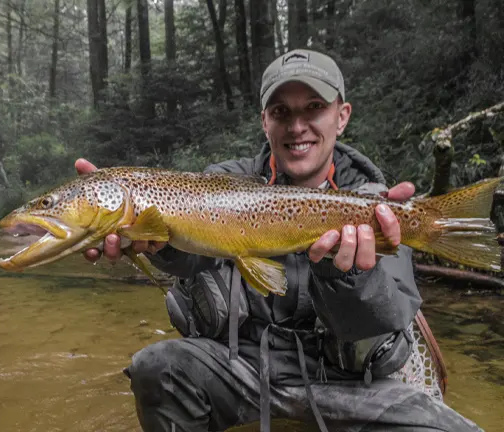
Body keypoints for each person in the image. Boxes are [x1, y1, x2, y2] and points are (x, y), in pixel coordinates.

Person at [76, 49, 483, 431]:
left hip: (348, 386)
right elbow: (190, 256)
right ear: (264, 121)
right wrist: (153, 242)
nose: (296, 125)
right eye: (281, 111)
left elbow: (385, 320)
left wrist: (348, 273)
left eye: (314, 108)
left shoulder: (375, 205)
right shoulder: (220, 186)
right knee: (157, 366)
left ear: (341, 116)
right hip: (243, 373)